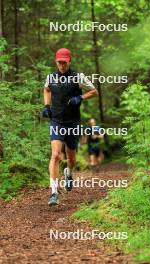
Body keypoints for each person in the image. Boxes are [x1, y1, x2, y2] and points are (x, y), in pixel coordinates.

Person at [42, 48, 98, 205]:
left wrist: (80, 97)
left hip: (73, 123)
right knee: (55, 155)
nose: (62, 65)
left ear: (69, 61)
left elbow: (94, 91)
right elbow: (46, 89)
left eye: (64, 62)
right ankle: (54, 192)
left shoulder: (78, 77)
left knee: (71, 158)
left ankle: (69, 172)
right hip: (57, 121)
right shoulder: (51, 77)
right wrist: (47, 106)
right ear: (56, 61)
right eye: (59, 62)